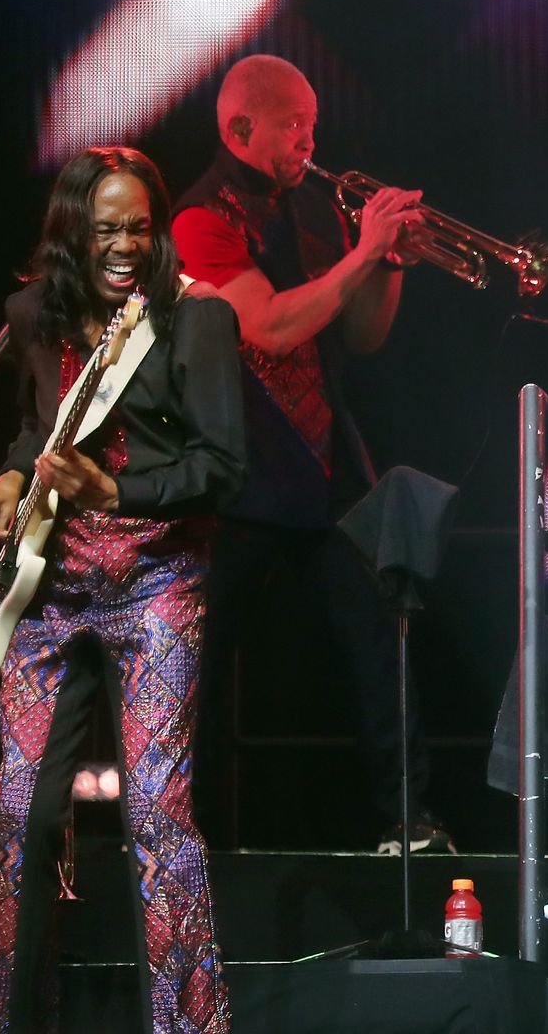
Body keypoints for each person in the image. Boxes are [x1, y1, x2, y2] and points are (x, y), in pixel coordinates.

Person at [0, 147, 243, 1033]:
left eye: (137, 227)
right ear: (72, 236)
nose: (124, 244)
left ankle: (187, 1026)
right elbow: (35, 430)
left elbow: (222, 467)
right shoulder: (33, 317)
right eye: (105, 229)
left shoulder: (196, 319)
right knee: (20, 815)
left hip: (157, 579)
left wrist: (115, 492)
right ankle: (13, 1021)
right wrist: (12, 478)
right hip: (50, 591)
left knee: (157, 818)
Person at [171, 54, 449, 854]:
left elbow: (359, 335)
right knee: (200, 665)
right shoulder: (200, 218)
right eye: (295, 124)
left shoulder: (319, 211)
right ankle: (184, 834)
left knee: (379, 638)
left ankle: (409, 821)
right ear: (241, 128)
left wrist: (389, 264)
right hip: (235, 470)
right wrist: (365, 253)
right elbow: (267, 326)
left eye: (313, 124)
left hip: (325, 463)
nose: (309, 140)